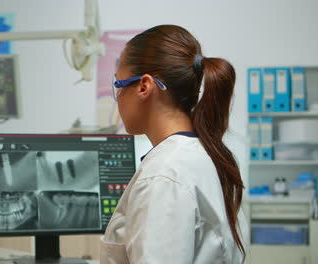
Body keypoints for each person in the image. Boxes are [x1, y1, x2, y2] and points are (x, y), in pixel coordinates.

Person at [100, 25, 248, 263]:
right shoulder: (208, 155)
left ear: (143, 87)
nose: (117, 99)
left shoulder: (164, 176)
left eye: (118, 85)